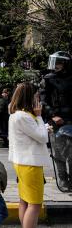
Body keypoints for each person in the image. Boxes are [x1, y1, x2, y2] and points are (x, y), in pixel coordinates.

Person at [8, 82, 50, 228]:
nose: (38, 98)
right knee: (35, 204)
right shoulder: (25, 117)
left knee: (24, 201)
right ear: (29, 97)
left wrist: (42, 125)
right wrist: (39, 117)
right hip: (30, 164)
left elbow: (33, 134)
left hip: (21, 162)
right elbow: (42, 138)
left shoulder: (16, 115)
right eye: (36, 95)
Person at [40, 51, 72, 190]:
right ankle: (63, 179)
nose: (56, 65)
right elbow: (43, 100)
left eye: (59, 62)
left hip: (70, 119)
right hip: (56, 120)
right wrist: (52, 115)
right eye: (55, 62)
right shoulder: (48, 79)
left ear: (66, 63)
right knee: (58, 152)